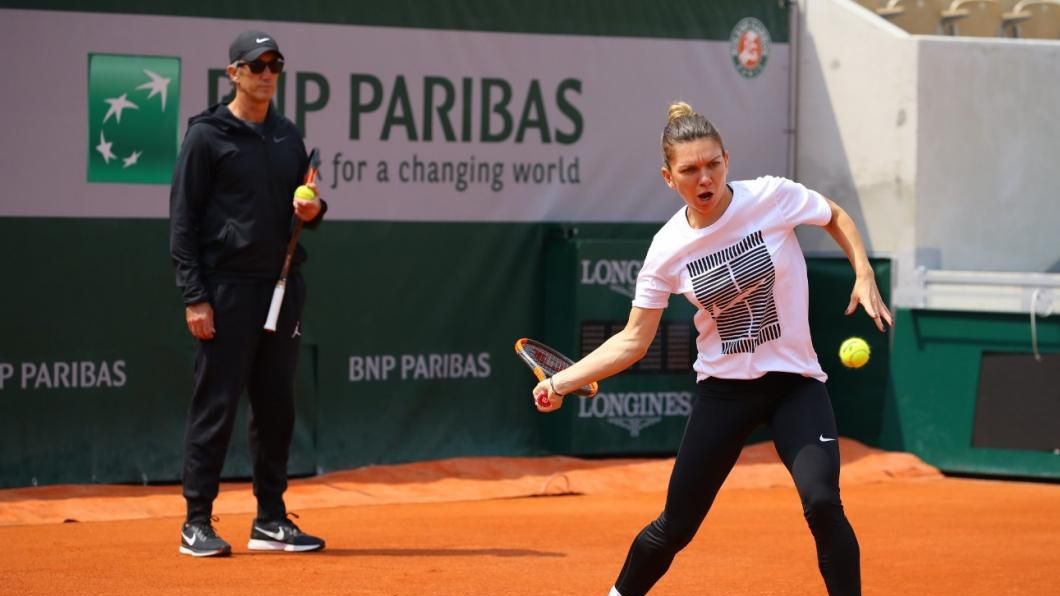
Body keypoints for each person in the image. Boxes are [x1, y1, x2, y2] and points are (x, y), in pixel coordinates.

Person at [532, 102, 892, 595]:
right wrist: (560, 382)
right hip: (724, 392)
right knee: (675, 526)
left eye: (713, 164)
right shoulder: (667, 249)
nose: (705, 179)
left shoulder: (771, 197)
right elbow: (633, 340)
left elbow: (834, 215)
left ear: (727, 160)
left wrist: (863, 272)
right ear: (668, 178)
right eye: (689, 170)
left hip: (795, 386)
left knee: (823, 501)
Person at [169, 30, 327, 557]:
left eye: (274, 65)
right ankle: (196, 522)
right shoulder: (206, 137)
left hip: (281, 287)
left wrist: (314, 210)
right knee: (215, 405)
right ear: (233, 73)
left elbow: (304, 207)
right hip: (226, 289)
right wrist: (195, 295)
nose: (266, 74)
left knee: (277, 406)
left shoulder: (287, 136)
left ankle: (271, 520)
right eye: (256, 65)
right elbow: (183, 222)